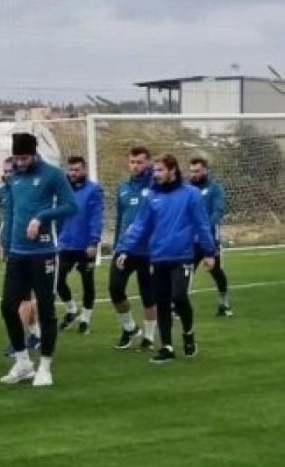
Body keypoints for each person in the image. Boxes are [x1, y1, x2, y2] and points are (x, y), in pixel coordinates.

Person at [114, 154, 216, 363]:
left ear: (172, 170)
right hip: (158, 257)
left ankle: (188, 333)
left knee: (178, 297)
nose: (156, 174)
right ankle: (167, 347)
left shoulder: (191, 194)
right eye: (155, 170)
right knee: (161, 302)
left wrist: (209, 252)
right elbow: (140, 225)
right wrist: (125, 249)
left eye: (160, 170)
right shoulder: (151, 196)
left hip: (182, 255)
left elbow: (202, 224)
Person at [0, 133, 77, 388]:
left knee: (45, 309)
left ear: (34, 154)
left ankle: (45, 367)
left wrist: (41, 217)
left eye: (24, 158)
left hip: (43, 253)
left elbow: (71, 207)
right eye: (16, 158)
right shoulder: (14, 178)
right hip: (17, 253)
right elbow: (11, 213)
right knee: (8, 307)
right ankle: (23, 363)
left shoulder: (53, 175)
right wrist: (6, 245)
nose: (20, 163)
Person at [109, 146, 158, 350]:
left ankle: (149, 337)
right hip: (125, 248)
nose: (135, 166)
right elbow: (120, 218)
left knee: (148, 295)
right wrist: (116, 245)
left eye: (139, 162)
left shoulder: (156, 185)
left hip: (149, 250)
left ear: (148, 163)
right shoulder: (123, 187)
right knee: (115, 288)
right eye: (132, 162)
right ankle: (129, 327)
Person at [55, 156, 104, 334]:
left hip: (86, 245)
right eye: (71, 170)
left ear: (84, 170)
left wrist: (93, 242)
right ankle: (71, 310)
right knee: (58, 280)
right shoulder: (63, 190)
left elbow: (96, 217)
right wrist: (57, 237)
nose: (73, 173)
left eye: (77, 170)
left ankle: (85, 319)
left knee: (87, 283)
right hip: (65, 244)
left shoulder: (94, 190)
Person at [0, 157, 39, 358]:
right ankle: (36, 334)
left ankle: (17, 343)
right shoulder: (1, 193)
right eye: (4, 171)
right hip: (10, 250)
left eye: (10, 171)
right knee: (22, 297)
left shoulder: (28, 191)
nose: (7, 175)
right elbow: (6, 220)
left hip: (27, 250)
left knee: (22, 298)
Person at [188, 157, 232, 316]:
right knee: (186, 272)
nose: (194, 174)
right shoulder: (186, 189)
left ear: (205, 170)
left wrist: (204, 230)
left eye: (197, 171)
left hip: (210, 240)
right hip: (190, 241)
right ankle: (179, 306)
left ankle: (223, 302)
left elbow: (217, 212)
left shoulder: (215, 189)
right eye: (191, 171)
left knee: (216, 271)